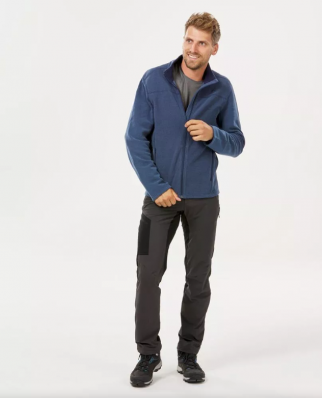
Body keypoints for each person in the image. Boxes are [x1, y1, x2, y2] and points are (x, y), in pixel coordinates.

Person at [125, 12, 245, 387]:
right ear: (184, 40)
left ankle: (188, 354)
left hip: (203, 200)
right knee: (147, 274)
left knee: (198, 278)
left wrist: (212, 134)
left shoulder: (222, 89)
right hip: (157, 200)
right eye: (189, 40)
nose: (193, 48)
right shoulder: (153, 80)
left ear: (214, 49)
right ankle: (148, 354)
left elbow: (237, 142)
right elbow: (134, 139)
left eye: (202, 43)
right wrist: (156, 186)